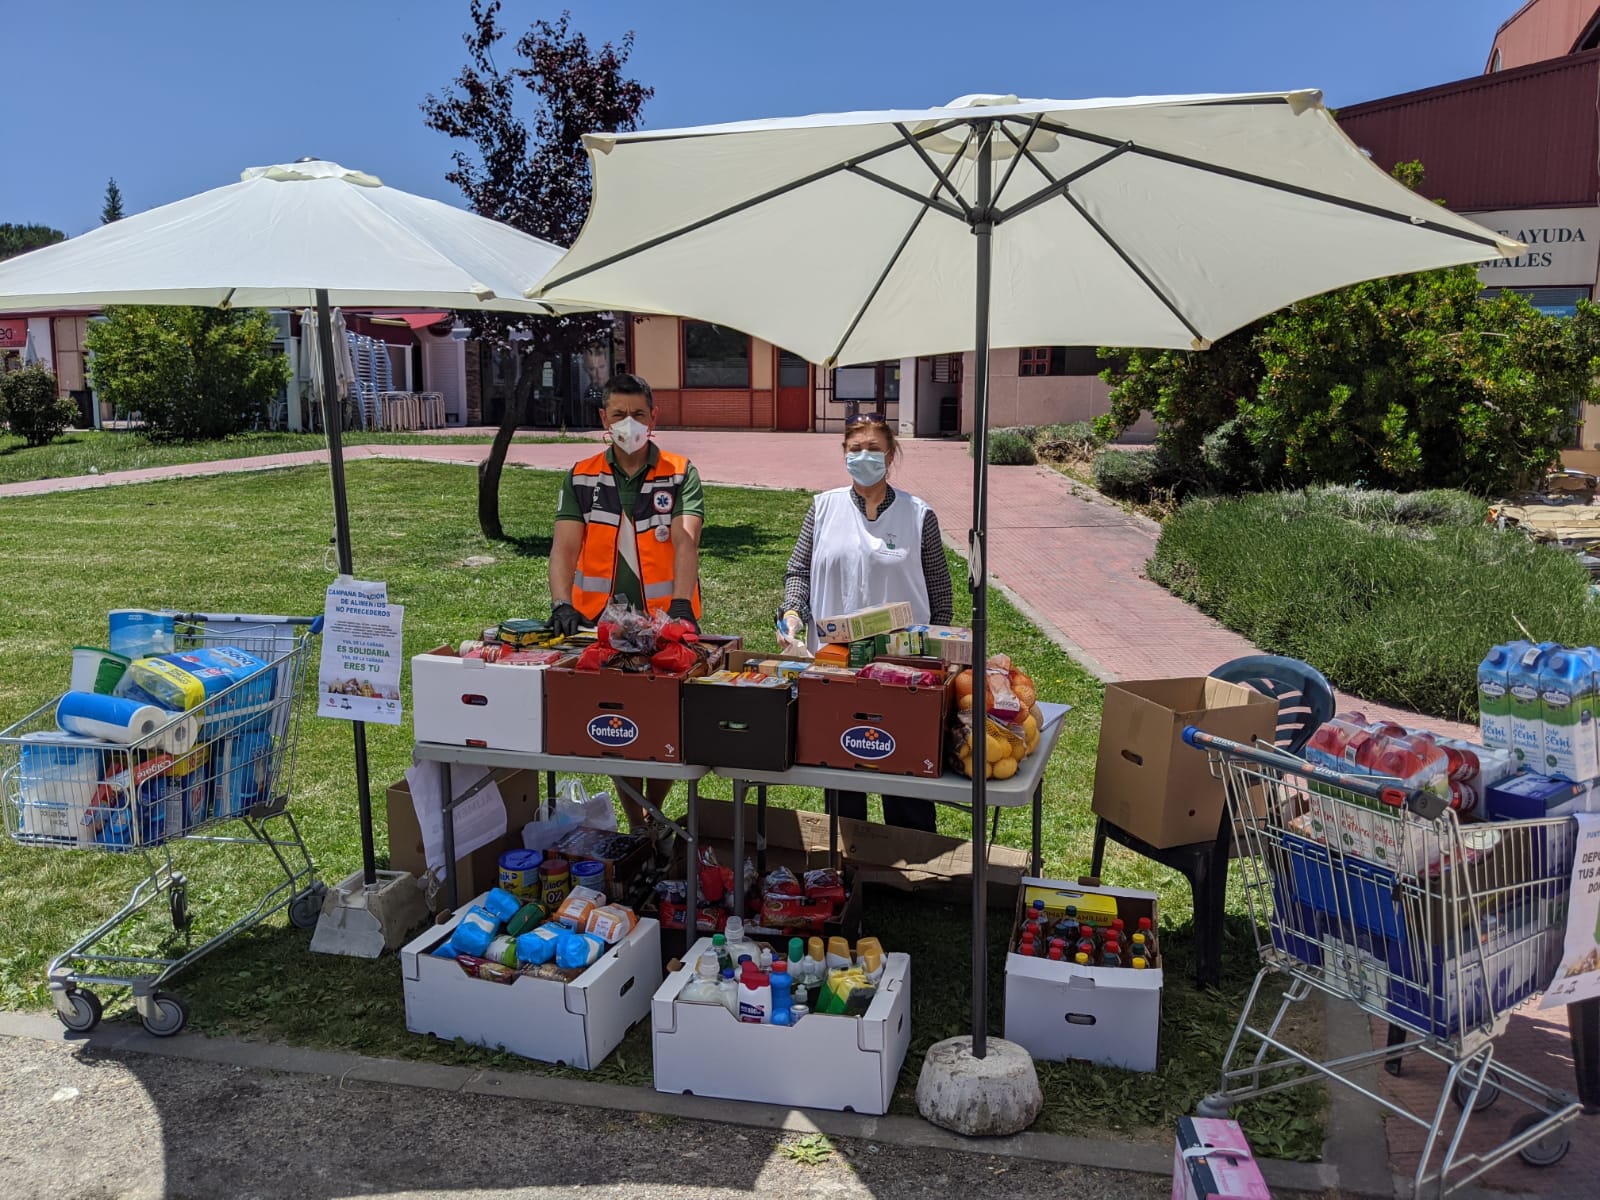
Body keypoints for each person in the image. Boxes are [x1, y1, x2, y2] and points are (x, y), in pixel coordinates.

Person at [778, 413, 954, 832]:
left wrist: (938, 653)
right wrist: (792, 612)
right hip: (835, 664)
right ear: (843, 453)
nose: (864, 456)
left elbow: (941, 593)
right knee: (841, 765)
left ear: (890, 454)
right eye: (855, 449)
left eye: (873, 448)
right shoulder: (823, 509)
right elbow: (799, 570)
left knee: (904, 768)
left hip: (902, 670)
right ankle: (847, 856)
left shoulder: (917, 514)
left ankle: (912, 858)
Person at [549, 372, 705, 831]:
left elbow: (685, 539)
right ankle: (639, 821)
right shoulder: (582, 475)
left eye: (638, 414)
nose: (629, 423)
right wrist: (562, 603)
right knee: (615, 724)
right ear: (604, 418)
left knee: (665, 724)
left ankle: (653, 812)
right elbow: (563, 548)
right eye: (619, 414)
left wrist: (680, 606)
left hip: (667, 622)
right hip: (601, 625)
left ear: (654, 416)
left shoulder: (679, 471)